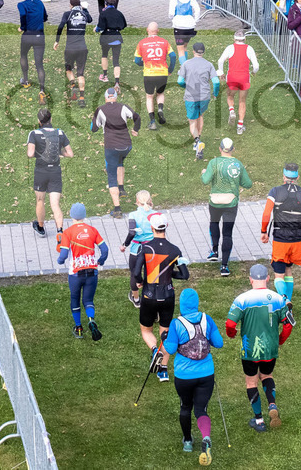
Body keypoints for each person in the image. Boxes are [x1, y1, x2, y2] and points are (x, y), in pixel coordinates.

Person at [225, 264, 294, 433]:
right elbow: (288, 325)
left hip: (249, 350)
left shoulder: (242, 299)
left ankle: (259, 421)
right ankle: (271, 403)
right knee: (267, 375)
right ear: (268, 279)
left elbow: (230, 323)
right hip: (270, 348)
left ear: (250, 279)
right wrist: (280, 341)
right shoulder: (278, 299)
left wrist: (232, 334)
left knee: (251, 382)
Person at [162, 287, 222, 462]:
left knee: (185, 407)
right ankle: (205, 437)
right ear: (196, 303)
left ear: (181, 304)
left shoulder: (176, 323)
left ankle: (187, 441)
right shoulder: (207, 319)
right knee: (201, 409)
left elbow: (171, 349)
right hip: (206, 373)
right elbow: (218, 343)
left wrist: (166, 337)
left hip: (184, 375)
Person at [133, 212, 190, 382]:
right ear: (166, 227)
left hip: (149, 294)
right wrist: (170, 274)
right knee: (165, 333)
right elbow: (184, 275)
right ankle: (163, 370)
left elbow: (136, 272)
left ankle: (154, 350)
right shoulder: (175, 250)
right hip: (168, 295)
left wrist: (140, 282)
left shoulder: (145, 248)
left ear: (152, 228)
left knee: (146, 330)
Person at [260, 163, 301, 305]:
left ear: (283, 176)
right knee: (288, 269)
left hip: (281, 237)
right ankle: (288, 302)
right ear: (297, 177)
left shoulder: (275, 192)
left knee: (279, 274)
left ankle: (284, 301)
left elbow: (266, 214)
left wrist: (264, 231)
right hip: (298, 237)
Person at [56, 202, 108, 339]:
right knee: (88, 300)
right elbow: (105, 250)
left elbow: (63, 255)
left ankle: (78, 327)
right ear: (84, 216)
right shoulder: (92, 230)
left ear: (71, 215)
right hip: (92, 271)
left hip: (75, 274)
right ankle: (91, 320)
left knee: (75, 299)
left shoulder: (67, 233)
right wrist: (101, 261)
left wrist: (59, 261)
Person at [201, 137, 253, 276]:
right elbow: (248, 184)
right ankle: (224, 266)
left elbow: (205, 181)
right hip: (231, 203)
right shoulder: (237, 164)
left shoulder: (214, 163)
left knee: (214, 223)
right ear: (233, 149)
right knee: (227, 233)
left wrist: (203, 173)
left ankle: (214, 251)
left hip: (215, 202)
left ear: (220, 149)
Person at [90, 86, 141, 218]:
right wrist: (136, 129)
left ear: (106, 97)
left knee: (111, 174)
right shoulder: (123, 107)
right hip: (126, 146)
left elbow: (94, 129)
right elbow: (137, 117)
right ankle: (122, 188)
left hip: (111, 147)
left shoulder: (100, 109)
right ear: (116, 97)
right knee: (120, 161)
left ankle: (117, 209)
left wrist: (94, 119)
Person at [28, 108, 75, 238]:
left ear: (39, 121)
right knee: (55, 204)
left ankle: (41, 228)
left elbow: (30, 153)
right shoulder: (60, 133)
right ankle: (60, 231)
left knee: (40, 200)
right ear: (51, 119)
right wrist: (59, 152)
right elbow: (70, 154)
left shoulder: (34, 133)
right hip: (55, 171)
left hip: (41, 171)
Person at [177, 42, 219, 160]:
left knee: (192, 121)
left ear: (193, 51)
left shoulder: (186, 64)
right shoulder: (209, 64)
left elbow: (180, 81)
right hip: (204, 96)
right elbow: (216, 82)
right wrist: (215, 93)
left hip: (191, 96)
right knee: (200, 115)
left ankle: (197, 141)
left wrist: (186, 86)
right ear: (203, 52)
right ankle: (198, 139)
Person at [135, 22, 177, 131]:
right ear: (158, 31)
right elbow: (173, 56)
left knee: (149, 96)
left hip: (149, 73)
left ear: (147, 30)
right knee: (160, 93)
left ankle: (152, 121)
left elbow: (136, 60)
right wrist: (170, 69)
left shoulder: (142, 43)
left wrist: (142, 64)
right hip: (162, 73)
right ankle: (160, 109)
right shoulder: (164, 42)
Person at [217, 30, 260, 135]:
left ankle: (231, 110)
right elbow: (256, 66)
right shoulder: (249, 49)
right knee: (242, 101)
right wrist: (253, 72)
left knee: (230, 96)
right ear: (244, 39)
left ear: (234, 39)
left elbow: (220, 61)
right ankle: (240, 127)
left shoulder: (230, 48)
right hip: (244, 78)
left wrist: (221, 72)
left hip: (232, 77)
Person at [55, 0, 93, 107]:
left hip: (70, 48)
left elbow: (61, 25)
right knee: (80, 73)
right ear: (80, 4)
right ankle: (81, 98)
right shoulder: (84, 14)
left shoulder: (67, 14)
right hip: (82, 48)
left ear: (70, 5)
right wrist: (85, 9)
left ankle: (73, 86)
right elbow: (90, 20)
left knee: (68, 69)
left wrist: (57, 40)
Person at [123, 191, 157, 307]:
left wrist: (124, 245)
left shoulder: (133, 215)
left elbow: (132, 232)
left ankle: (136, 300)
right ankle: (150, 298)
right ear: (150, 200)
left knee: (134, 274)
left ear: (137, 201)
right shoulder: (156, 215)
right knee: (151, 274)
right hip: (151, 248)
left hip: (136, 249)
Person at [96, 0, 127, 86]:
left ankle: (105, 76)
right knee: (116, 60)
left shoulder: (103, 13)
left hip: (106, 37)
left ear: (105, 3)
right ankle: (117, 82)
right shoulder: (119, 13)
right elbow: (124, 25)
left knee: (104, 55)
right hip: (117, 37)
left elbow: (100, 27)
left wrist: (96, 29)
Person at [169, 0, 201, 64]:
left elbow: (171, 13)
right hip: (190, 26)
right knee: (185, 46)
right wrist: (195, 20)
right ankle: (186, 64)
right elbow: (197, 10)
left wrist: (172, 19)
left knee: (180, 49)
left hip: (179, 26)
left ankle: (184, 68)